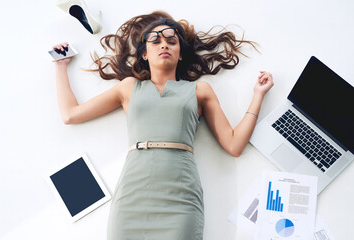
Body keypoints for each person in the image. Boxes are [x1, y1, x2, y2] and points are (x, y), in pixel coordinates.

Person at [53, 10, 273, 240]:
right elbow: (70, 115)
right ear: (145, 54)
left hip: (180, 199)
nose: (163, 45)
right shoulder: (129, 87)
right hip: (132, 199)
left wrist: (258, 95)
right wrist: (60, 66)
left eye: (171, 41)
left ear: (180, 55)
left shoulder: (200, 91)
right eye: (155, 41)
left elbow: (234, 145)